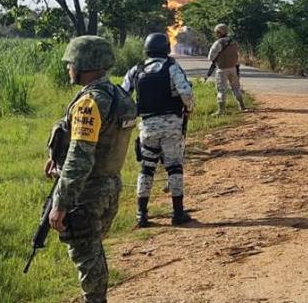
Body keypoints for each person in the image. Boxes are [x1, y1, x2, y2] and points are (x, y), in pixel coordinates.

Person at [44, 35, 137, 303]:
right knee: (93, 248)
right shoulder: (118, 95)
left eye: (71, 62)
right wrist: (56, 157)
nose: (68, 67)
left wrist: (61, 202)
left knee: (86, 253)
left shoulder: (90, 103)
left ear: (85, 63)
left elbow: (80, 156)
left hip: (88, 191)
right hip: (110, 184)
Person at [122, 32, 195, 228]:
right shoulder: (171, 67)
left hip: (147, 126)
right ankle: (178, 213)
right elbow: (186, 92)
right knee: (174, 168)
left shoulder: (136, 70)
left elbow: (123, 95)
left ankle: (141, 215)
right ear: (166, 48)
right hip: (172, 124)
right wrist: (188, 108)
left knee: (146, 169)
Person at [205, 23, 247, 115]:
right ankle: (242, 107)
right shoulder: (234, 42)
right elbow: (237, 56)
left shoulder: (218, 43)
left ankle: (221, 110)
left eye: (217, 32)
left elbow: (210, 58)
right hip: (233, 68)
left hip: (221, 69)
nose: (216, 34)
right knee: (236, 88)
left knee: (221, 90)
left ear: (219, 33)